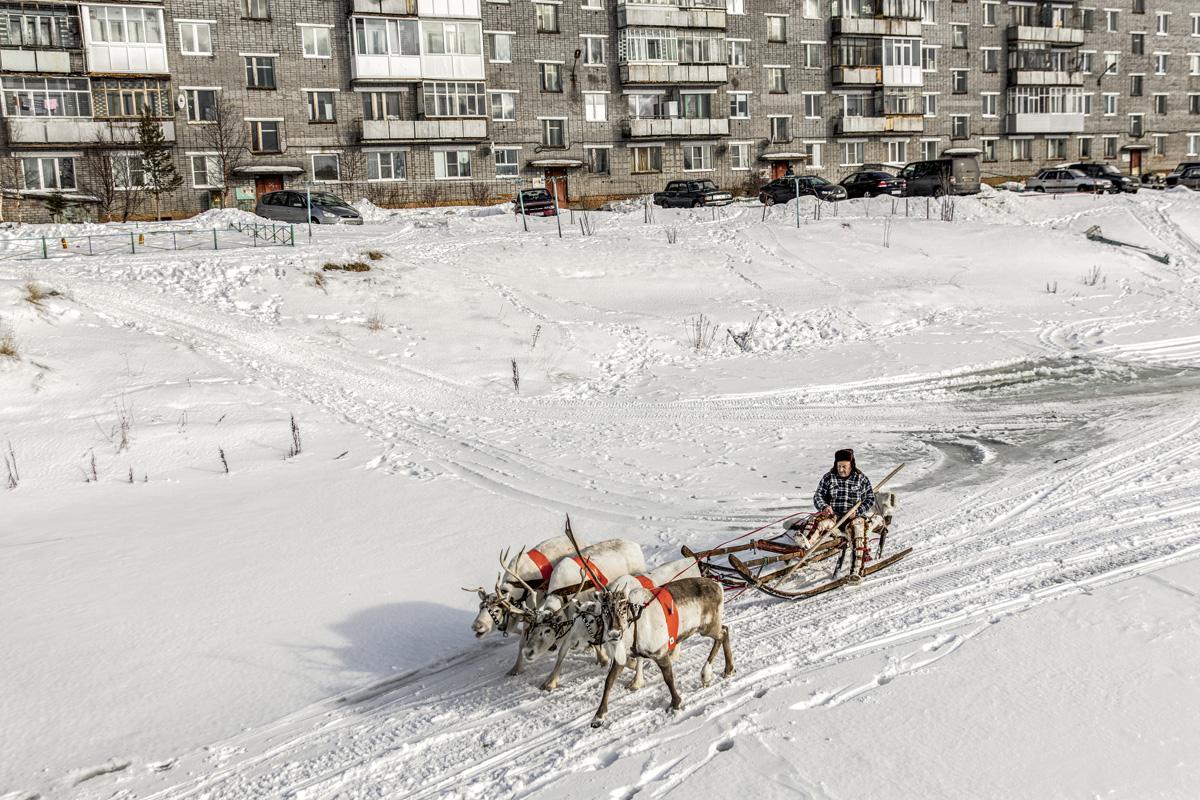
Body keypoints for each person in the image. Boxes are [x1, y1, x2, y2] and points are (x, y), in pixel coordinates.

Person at [809, 448, 883, 582]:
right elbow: (818, 495)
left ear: (851, 464)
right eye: (839, 466)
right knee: (819, 522)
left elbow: (869, 499)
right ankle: (806, 546)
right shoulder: (829, 477)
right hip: (834, 517)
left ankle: (856, 571)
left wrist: (858, 512)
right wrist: (824, 506)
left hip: (852, 518)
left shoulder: (861, 478)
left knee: (858, 530)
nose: (841, 469)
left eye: (844, 466)